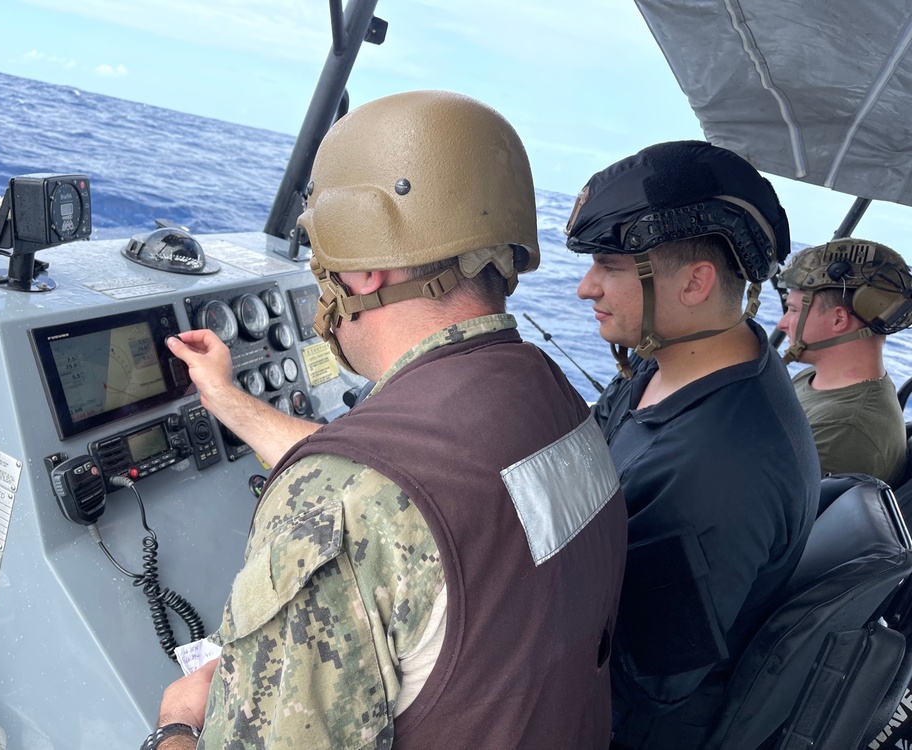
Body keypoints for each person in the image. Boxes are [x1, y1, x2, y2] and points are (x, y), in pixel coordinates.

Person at [147, 90, 629, 750]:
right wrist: (231, 404)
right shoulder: (550, 396)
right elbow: (420, 493)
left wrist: (177, 724)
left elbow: (370, 500)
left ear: (368, 267)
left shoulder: (349, 499)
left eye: (322, 250)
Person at [565, 140, 822, 749]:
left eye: (609, 266)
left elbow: (639, 683)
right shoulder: (675, 361)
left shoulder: (716, 471)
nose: (584, 288)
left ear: (694, 283)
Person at [776, 238, 911, 486]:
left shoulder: (846, 431)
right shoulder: (818, 380)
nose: (782, 324)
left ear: (839, 320)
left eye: (793, 310)